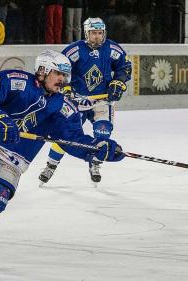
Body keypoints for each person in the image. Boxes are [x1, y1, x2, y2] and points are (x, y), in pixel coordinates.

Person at [0, 49, 124, 265]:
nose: (62, 80)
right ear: (43, 70)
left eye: (65, 75)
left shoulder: (62, 107)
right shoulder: (15, 80)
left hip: (15, 156)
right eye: (58, 74)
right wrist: (0, 118)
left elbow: (72, 139)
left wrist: (97, 148)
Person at [39, 17, 132, 185]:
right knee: (66, 136)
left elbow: (124, 67)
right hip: (77, 102)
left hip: (102, 101)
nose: (97, 36)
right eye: (93, 33)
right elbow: (61, 70)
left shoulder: (112, 48)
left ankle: (94, 164)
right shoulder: (74, 50)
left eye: (99, 33)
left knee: (102, 134)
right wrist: (65, 88)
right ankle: (51, 165)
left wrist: (118, 82)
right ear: (86, 33)